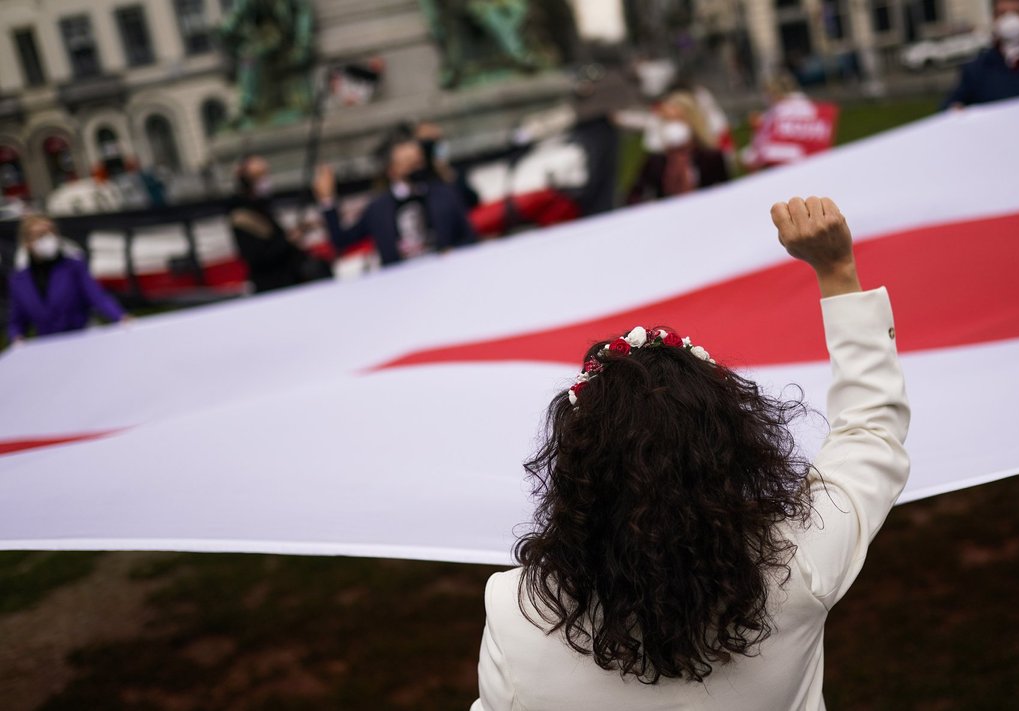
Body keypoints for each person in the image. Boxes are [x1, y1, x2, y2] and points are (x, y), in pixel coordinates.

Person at [473, 196, 911, 710]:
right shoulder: (801, 562)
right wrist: (837, 271)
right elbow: (871, 431)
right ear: (733, 447)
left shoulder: (514, 611)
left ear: (577, 470)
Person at [313, 138, 477, 265]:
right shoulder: (378, 208)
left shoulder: (443, 194)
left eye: (418, 161)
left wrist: (454, 253)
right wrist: (327, 200)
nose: (416, 167)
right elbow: (341, 241)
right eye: (408, 163)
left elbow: (470, 236)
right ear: (392, 170)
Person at [7, 213, 127, 343]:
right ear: (27, 243)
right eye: (40, 235)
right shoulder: (19, 281)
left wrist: (120, 316)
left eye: (51, 232)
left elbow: (98, 297)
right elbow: (17, 320)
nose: (48, 238)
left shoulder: (74, 266)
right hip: (48, 346)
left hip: (83, 337)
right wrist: (16, 337)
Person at [229, 155, 329, 293]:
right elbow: (260, 255)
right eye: (259, 175)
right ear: (247, 181)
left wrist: (298, 231)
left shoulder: (263, 207)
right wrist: (288, 240)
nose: (265, 180)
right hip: (274, 284)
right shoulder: (242, 215)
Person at [626, 91, 730, 204]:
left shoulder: (710, 157)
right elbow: (635, 195)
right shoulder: (656, 161)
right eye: (668, 122)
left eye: (678, 120)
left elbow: (726, 192)